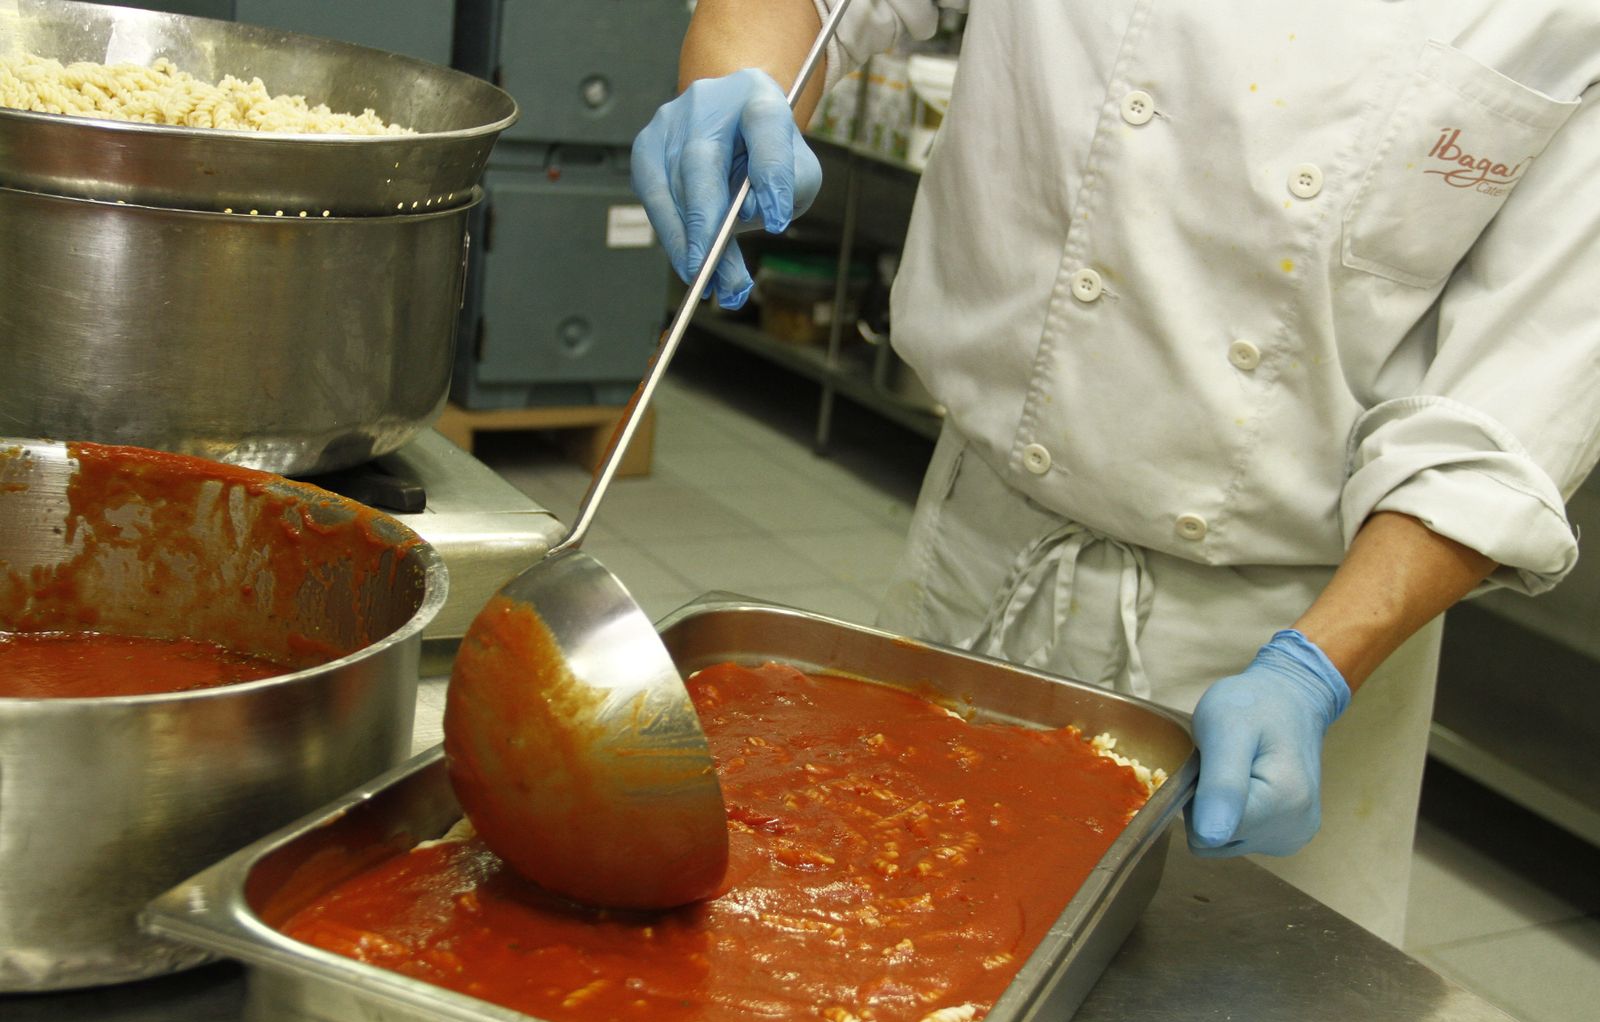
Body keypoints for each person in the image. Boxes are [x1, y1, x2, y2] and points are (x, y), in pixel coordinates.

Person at [630, 0, 1600, 946]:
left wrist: (1311, 671)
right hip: (983, 547)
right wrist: (743, 84)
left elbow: (1508, 408)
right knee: (882, 972)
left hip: (1293, 645)